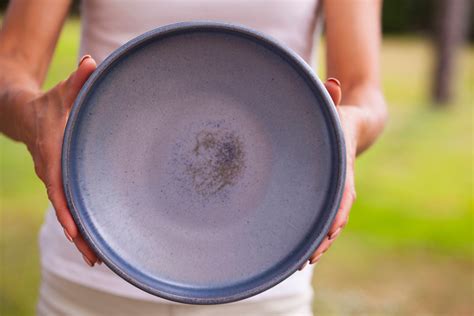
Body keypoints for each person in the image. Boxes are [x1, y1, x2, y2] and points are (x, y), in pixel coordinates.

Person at [0, 0, 387, 315]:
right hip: (94, 261)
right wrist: (33, 116)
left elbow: (360, 87)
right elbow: (12, 61)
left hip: (266, 275)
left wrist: (347, 127)